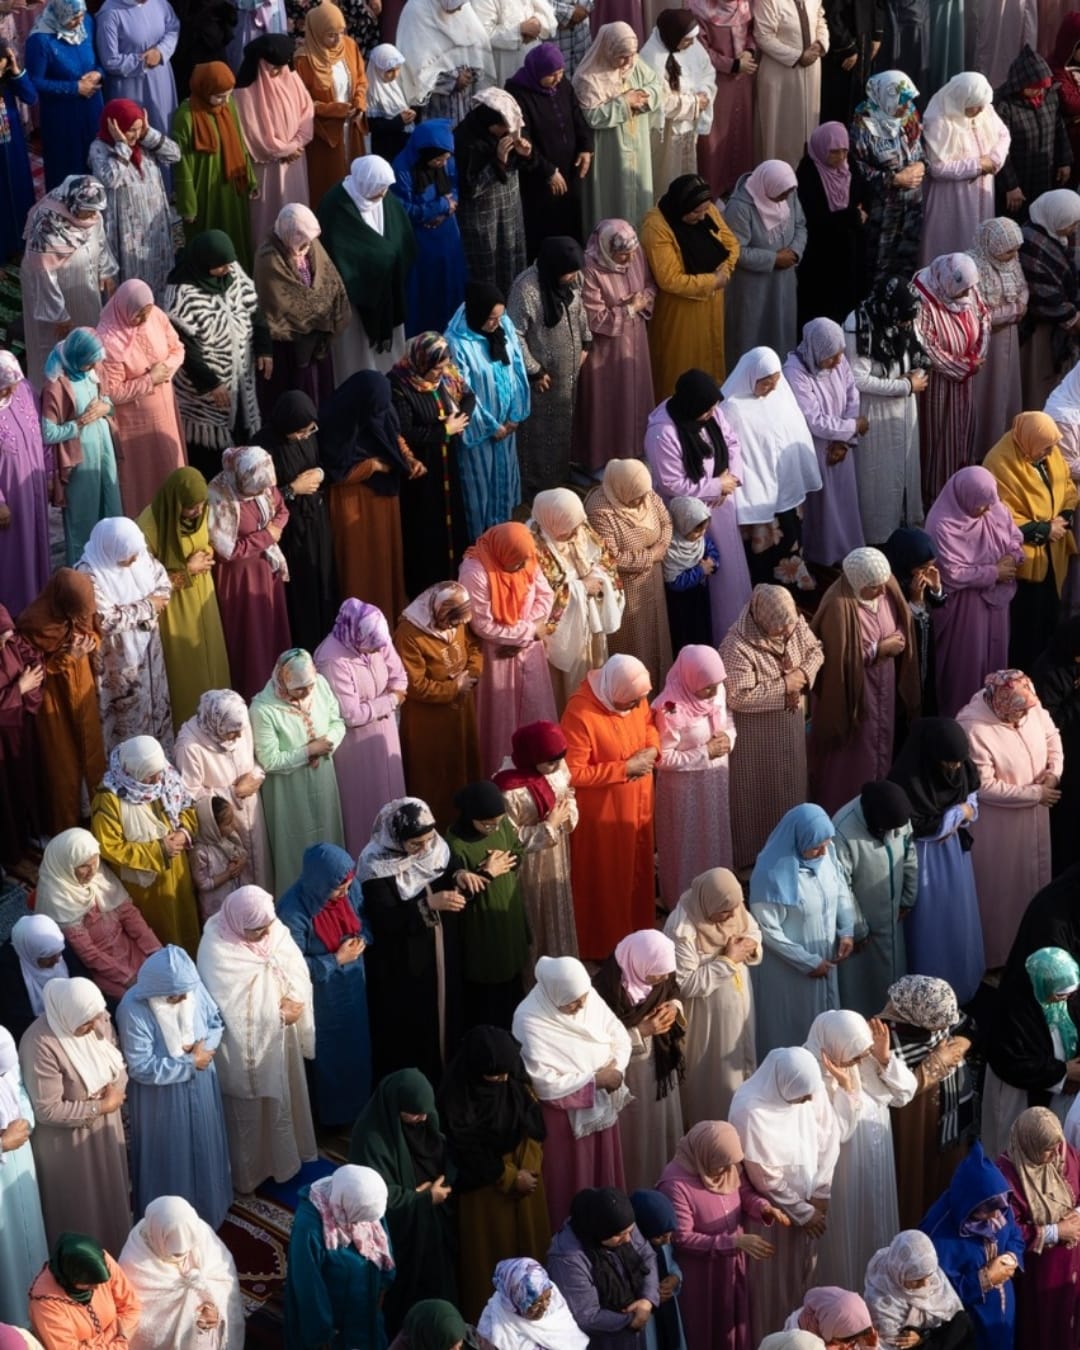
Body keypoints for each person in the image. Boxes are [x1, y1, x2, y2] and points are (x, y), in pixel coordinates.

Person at [195, 884, 317, 1193]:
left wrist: (295, 1000)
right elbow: (228, 1008)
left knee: (284, 1099)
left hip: (281, 1039)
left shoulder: (274, 929)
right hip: (244, 1047)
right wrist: (275, 1016)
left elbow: (295, 968)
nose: (264, 935)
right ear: (238, 923)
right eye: (255, 931)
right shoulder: (216, 949)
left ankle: (286, 1162)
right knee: (251, 1115)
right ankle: (252, 1174)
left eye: (266, 927)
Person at [727, 1047, 844, 1341]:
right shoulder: (749, 1108)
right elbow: (764, 1176)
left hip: (812, 1203)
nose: (806, 1101)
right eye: (801, 1095)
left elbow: (829, 1137)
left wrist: (821, 1192)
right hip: (775, 1215)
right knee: (774, 1285)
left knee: (806, 1276)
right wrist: (803, 1213)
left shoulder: (809, 1087)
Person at [114, 945, 232, 1227]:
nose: (181, 999)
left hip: (201, 1084)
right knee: (169, 1155)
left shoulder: (192, 988)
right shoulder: (133, 1008)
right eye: (173, 996)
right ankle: (169, 1222)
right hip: (161, 1098)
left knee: (206, 1142)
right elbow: (141, 1066)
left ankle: (210, 1209)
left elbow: (215, 1023)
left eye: (184, 994)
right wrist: (190, 1063)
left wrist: (204, 1049)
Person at [438, 1027, 551, 1320]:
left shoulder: (517, 1084)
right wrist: (510, 1177)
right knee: (488, 1264)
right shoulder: (458, 1099)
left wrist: (529, 1169)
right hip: (485, 1196)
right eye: (493, 1077)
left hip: (526, 1189)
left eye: (505, 1075)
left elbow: (534, 1127)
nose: (501, 1081)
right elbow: (465, 1148)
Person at [512, 956, 631, 1229]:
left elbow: (618, 1035)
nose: (581, 1006)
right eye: (572, 1002)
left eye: (583, 998)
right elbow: (542, 1081)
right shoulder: (530, 1019)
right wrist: (594, 1080)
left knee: (604, 1174)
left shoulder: (587, 996)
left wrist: (616, 1069)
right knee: (572, 1182)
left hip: (601, 1108)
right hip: (564, 1119)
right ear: (554, 994)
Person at [804, 1010, 917, 1290]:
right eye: (855, 1055)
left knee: (876, 1228)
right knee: (849, 1237)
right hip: (845, 1174)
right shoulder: (811, 1074)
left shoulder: (861, 1061)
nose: (859, 1061)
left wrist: (883, 1057)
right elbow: (838, 1132)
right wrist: (845, 1088)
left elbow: (905, 1093)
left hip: (878, 1168)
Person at [956, 671, 1063, 967]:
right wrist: (1034, 794)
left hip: (1037, 817)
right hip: (1000, 828)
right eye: (1016, 714)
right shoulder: (973, 728)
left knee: (1035, 886)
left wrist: (1054, 773)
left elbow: (1052, 736)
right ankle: (999, 958)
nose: (1021, 718)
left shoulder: (1030, 705)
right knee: (1001, 895)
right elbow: (985, 785)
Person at [357, 798, 465, 1083]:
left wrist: (460, 874)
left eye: (429, 839)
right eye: (416, 844)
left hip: (443, 952)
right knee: (416, 1029)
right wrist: (428, 904)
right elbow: (385, 919)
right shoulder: (374, 865)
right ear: (396, 837)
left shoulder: (437, 848)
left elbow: (449, 868)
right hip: (406, 966)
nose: (425, 848)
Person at [19, 979, 131, 1254]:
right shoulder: (41, 1043)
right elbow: (47, 1109)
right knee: (81, 1207)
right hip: (69, 1145)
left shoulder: (96, 1018)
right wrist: (100, 1107)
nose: (94, 1027)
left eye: (95, 1019)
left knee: (110, 1197)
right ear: (66, 1015)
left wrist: (116, 1088)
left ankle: (116, 1256)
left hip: (105, 1127)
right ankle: (82, 1268)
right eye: (85, 1023)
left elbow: (116, 1061)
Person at [560, 653, 658, 959]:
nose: (633, 707)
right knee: (607, 880)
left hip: (638, 804)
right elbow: (573, 772)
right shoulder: (581, 712)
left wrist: (653, 749)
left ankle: (637, 936)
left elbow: (649, 723)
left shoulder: (635, 697)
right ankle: (604, 948)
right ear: (614, 692)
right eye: (628, 703)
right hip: (603, 816)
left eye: (637, 701)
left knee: (637, 873)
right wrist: (624, 769)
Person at [809, 547, 920, 814]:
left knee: (882, 744)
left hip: (885, 685)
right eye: (874, 588)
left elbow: (902, 620)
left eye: (884, 586)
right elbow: (834, 660)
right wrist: (877, 651)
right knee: (855, 755)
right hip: (853, 694)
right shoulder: (839, 606)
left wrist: (898, 642)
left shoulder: (886, 587)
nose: (883, 593)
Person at [348, 1069, 459, 1334]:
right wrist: (421, 1199)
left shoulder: (423, 1119)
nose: (421, 1119)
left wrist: (442, 1183)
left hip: (434, 1225)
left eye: (425, 1113)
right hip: (401, 1237)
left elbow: (441, 1151)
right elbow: (373, 1196)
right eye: (413, 1114)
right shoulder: (371, 1138)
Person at [655, 1122, 778, 1350]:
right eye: (721, 1166)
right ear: (705, 1154)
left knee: (732, 1328)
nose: (727, 1171)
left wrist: (763, 1207)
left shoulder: (725, 1165)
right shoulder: (675, 1184)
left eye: (731, 1165)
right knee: (704, 1329)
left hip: (731, 1265)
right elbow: (682, 1237)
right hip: (702, 1274)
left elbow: (742, 1191)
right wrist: (733, 1242)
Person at [887, 718, 984, 1004]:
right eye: (948, 763)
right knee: (931, 927)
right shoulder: (908, 779)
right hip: (925, 860)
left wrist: (961, 813)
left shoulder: (962, 766)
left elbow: (971, 801)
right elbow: (914, 824)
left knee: (958, 918)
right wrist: (955, 816)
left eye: (957, 762)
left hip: (953, 855)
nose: (954, 769)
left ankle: (961, 985)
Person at [748, 804, 856, 1056]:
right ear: (799, 840)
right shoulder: (770, 874)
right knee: (793, 1031)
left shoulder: (825, 855)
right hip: (788, 970)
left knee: (824, 1025)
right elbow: (768, 929)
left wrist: (847, 929)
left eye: (827, 843)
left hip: (824, 961)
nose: (823, 851)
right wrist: (807, 962)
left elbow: (840, 890)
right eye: (816, 846)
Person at [278, 842, 373, 1126]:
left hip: (354, 989)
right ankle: (333, 1121)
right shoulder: (293, 910)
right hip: (323, 998)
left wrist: (363, 938)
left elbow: (364, 919)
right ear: (320, 882)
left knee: (357, 1051)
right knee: (329, 1058)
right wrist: (335, 959)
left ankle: (360, 1111)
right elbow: (290, 967)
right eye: (337, 890)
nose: (344, 894)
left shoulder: (348, 889)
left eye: (346, 887)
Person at [163, 231, 270, 480]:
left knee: (243, 446)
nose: (226, 269)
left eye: (228, 263)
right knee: (211, 459)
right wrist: (211, 383)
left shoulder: (234, 274)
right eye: (220, 265)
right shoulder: (181, 294)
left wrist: (265, 348)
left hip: (241, 385)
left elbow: (256, 311)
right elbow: (184, 347)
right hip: (202, 395)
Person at [924, 467, 1024, 719]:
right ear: (965, 498)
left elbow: (1014, 535)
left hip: (997, 605)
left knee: (995, 660)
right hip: (965, 610)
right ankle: (962, 725)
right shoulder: (942, 524)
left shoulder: (993, 506)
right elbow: (952, 573)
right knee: (966, 668)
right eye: (981, 506)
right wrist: (994, 573)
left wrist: (1013, 556)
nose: (988, 511)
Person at [663, 869, 760, 1126]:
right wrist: (727, 961)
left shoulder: (732, 904)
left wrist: (748, 947)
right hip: (707, 1019)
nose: (730, 917)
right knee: (714, 1081)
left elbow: (753, 931)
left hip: (739, 1006)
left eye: (733, 910)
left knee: (742, 1069)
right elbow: (685, 983)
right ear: (709, 903)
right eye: (724, 912)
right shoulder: (682, 927)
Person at [719, 347, 820, 593]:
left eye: (775, 382)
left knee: (790, 537)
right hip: (756, 489)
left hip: (786, 484)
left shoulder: (781, 395)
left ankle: (794, 586)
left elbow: (795, 432)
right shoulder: (732, 407)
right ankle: (763, 592)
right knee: (762, 550)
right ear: (750, 377)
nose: (772, 388)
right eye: (765, 383)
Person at [878, 975, 974, 1232]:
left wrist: (961, 1045)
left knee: (945, 1188)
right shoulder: (882, 1040)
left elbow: (968, 1028)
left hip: (947, 1132)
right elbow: (899, 1090)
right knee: (914, 1191)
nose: (891, 1005)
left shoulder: (939, 1016)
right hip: (913, 1131)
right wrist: (937, 1063)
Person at [459, 522, 557, 775]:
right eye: (516, 564)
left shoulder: (525, 556)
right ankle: (501, 778)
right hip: (496, 658)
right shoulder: (475, 571)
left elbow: (545, 596)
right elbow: (482, 624)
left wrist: (524, 635)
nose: (523, 568)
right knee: (500, 723)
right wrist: (529, 632)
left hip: (527, 651)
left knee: (534, 714)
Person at [136, 470, 230, 729]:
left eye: (201, 506)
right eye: (190, 508)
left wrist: (207, 553)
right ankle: (193, 731)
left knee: (213, 663)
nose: (197, 512)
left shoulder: (201, 514)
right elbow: (142, 582)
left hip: (203, 603)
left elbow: (202, 540)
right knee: (188, 672)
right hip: (175, 610)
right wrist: (186, 569)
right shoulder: (149, 528)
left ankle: (220, 721)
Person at [592, 931, 685, 1193]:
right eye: (658, 974)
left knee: (662, 1133)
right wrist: (642, 1031)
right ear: (640, 964)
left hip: (661, 1069)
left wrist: (674, 1008)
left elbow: (673, 991)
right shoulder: (605, 991)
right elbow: (601, 1040)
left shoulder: (660, 971)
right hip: (633, 1077)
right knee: (638, 1140)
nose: (663, 979)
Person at [90, 735, 200, 954]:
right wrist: (159, 850)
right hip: (146, 887)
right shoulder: (110, 798)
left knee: (185, 925)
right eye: (150, 776)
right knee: (158, 936)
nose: (157, 779)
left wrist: (184, 831)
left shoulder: (166, 776)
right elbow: (109, 846)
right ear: (134, 771)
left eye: (158, 773)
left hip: (177, 870)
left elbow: (186, 806)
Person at [985, 411, 1078, 671]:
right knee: (1026, 628)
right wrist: (1043, 530)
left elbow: (1067, 487)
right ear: (1030, 439)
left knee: (1050, 618)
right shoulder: (1000, 463)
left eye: (1052, 447)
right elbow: (998, 515)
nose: (1050, 453)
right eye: (1045, 448)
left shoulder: (1049, 452)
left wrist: (1063, 518)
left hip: (1052, 555)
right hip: (1023, 562)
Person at [14, 570, 105, 835]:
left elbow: (94, 631)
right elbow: (37, 670)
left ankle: (99, 821)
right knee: (62, 767)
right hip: (54, 702)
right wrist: (69, 657)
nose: (81, 619)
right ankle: (66, 831)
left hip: (82, 691)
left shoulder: (81, 607)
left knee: (92, 754)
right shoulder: (35, 624)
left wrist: (88, 643)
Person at [314, 600, 406, 853]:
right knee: (365, 809)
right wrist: (389, 701)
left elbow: (400, 677)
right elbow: (351, 714)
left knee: (392, 799)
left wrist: (383, 701)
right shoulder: (331, 659)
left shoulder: (376, 638)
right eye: (372, 647)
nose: (376, 652)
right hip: (356, 747)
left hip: (385, 735)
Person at [843, 276, 929, 547]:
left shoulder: (903, 316)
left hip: (904, 408)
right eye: (903, 319)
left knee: (904, 472)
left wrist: (916, 373)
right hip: (876, 412)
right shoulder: (858, 326)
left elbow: (918, 350)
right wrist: (903, 385)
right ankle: (878, 538)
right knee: (877, 477)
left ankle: (905, 531)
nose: (906, 325)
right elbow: (858, 378)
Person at [388, 334, 475, 598]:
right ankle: (427, 592)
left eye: (444, 366)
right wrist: (443, 430)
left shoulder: (447, 375)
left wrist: (459, 420)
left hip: (449, 464)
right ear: (421, 361)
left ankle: (453, 582)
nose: (442, 372)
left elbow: (468, 396)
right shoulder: (399, 385)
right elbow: (404, 430)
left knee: (453, 523)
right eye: (436, 368)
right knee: (427, 529)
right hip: (423, 472)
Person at [76, 517, 173, 754]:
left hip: (150, 654)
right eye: (126, 556)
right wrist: (148, 607)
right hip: (119, 662)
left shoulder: (139, 554)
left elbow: (164, 586)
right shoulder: (89, 574)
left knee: (155, 710)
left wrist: (138, 609)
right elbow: (106, 620)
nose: (132, 560)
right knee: (128, 723)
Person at [250, 647, 346, 888]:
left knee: (328, 835)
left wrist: (328, 744)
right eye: (299, 688)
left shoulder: (320, 685)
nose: (306, 693)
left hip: (323, 778)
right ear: (283, 681)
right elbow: (269, 760)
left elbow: (337, 721)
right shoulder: (263, 709)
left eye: (309, 687)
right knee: (296, 848)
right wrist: (308, 751)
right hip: (289, 792)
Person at [640, 174, 739, 402]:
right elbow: (670, 279)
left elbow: (731, 244)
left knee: (710, 366)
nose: (703, 216)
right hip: (680, 314)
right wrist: (713, 281)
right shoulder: (656, 227)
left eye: (705, 210)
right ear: (681, 205)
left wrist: (724, 270)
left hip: (711, 308)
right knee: (677, 371)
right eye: (696, 212)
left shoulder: (705, 210)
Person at [444, 282, 531, 540]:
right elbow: (460, 391)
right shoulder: (456, 343)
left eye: (499, 317)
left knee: (504, 491)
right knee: (480, 495)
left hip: (507, 427)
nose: (496, 323)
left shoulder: (502, 326)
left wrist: (515, 414)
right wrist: (493, 426)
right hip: (482, 433)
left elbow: (517, 366)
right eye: (491, 318)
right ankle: (480, 550)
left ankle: (503, 541)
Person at [920, 1143, 1025, 1350]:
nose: (996, 1217)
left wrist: (1012, 1256)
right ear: (971, 1205)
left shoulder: (998, 1205)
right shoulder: (939, 1235)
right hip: (969, 1327)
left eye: (1000, 1209)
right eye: (989, 1211)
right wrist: (984, 1279)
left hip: (1003, 1318)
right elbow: (936, 1291)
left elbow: (1014, 1234)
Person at [34, 828, 161, 1001]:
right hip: (101, 968)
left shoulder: (98, 875)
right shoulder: (57, 898)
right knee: (139, 999)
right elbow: (88, 954)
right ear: (67, 866)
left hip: (127, 947)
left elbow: (130, 916)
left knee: (163, 975)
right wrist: (128, 977)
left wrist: (155, 951)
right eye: (84, 866)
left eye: (95, 862)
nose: (92, 871)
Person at [508, 237, 591, 499]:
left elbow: (579, 311)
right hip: (542, 380)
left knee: (562, 430)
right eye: (568, 272)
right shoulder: (526, 289)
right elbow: (515, 334)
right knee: (538, 434)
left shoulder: (573, 280)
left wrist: (586, 342)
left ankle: (558, 483)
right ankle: (536, 490)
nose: (573, 277)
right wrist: (534, 370)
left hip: (568, 375)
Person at [493, 720, 580, 970]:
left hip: (557, 856)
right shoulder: (508, 788)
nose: (556, 767)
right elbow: (508, 838)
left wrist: (568, 815)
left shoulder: (556, 768)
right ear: (531, 756)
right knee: (535, 917)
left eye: (558, 760)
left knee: (558, 910)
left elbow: (568, 793)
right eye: (550, 762)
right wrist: (548, 827)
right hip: (530, 865)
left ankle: (564, 970)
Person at [94, 281, 185, 519]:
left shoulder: (155, 315)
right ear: (125, 308)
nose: (144, 319)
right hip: (135, 425)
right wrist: (149, 381)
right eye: (138, 315)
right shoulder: (108, 339)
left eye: (146, 312)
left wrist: (165, 368)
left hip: (165, 413)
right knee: (143, 478)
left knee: (170, 465)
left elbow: (177, 348)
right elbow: (111, 392)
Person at [206, 444, 291, 701]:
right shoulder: (219, 498)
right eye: (258, 489)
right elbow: (226, 550)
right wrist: (266, 537)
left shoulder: (262, 479)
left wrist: (273, 530)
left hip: (266, 571)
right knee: (250, 638)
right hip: (239, 580)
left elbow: (282, 509)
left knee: (271, 632)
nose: (265, 492)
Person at [652, 644, 736, 902]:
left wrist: (728, 740)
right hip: (684, 792)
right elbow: (662, 758)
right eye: (706, 686)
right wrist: (704, 752)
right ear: (690, 678)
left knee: (714, 840)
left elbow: (727, 720)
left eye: (716, 685)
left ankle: (717, 896)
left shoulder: (716, 690)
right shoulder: (669, 709)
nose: (712, 693)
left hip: (714, 783)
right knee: (687, 847)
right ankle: (684, 903)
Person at [319, 155, 415, 379]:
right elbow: (337, 250)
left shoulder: (385, 199)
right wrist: (379, 258)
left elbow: (402, 237)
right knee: (359, 355)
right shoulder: (335, 204)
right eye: (378, 188)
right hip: (356, 298)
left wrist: (389, 259)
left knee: (391, 357)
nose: (381, 194)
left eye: (384, 188)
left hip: (387, 292)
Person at [394, 586, 483, 828]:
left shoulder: (458, 617)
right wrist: (454, 688)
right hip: (429, 722)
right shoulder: (410, 633)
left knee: (462, 766)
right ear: (439, 611)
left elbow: (473, 647)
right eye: (450, 623)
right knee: (435, 777)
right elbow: (414, 685)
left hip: (461, 712)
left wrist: (472, 674)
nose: (453, 628)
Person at [528, 488, 623, 710]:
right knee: (567, 687)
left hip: (590, 624)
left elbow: (605, 561)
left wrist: (597, 578)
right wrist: (581, 588)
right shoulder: (532, 547)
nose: (575, 534)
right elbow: (541, 595)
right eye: (567, 531)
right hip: (564, 631)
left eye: (576, 527)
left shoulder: (579, 525)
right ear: (551, 522)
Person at [258, 392, 339, 652]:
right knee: (301, 592)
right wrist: (293, 489)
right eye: (301, 432)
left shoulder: (310, 436)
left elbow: (324, 463)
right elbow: (258, 498)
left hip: (316, 522)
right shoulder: (263, 448)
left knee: (323, 580)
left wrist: (319, 472)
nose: (306, 435)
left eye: (309, 430)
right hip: (290, 532)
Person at [20, 176, 116, 393]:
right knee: (55, 344)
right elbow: (41, 272)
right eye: (89, 211)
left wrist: (106, 270)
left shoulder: (91, 213)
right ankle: (56, 395)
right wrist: (58, 315)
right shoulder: (47, 226)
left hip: (83, 285)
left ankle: (88, 384)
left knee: (86, 334)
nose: (94, 216)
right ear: (73, 204)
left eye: (96, 211)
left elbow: (100, 241)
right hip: (52, 294)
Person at [574, 219, 655, 474]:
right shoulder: (589, 269)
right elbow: (594, 317)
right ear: (607, 250)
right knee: (608, 403)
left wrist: (644, 300)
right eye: (622, 255)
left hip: (636, 343)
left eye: (631, 254)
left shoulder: (635, 254)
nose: (627, 260)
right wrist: (631, 308)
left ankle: (635, 452)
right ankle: (602, 461)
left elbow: (650, 286)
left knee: (636, 397)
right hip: (606, 350)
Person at [284, 1164, 395, 1350]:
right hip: (335, 1327)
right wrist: (322, 1334)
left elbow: (382, 1240)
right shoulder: (310, 1229)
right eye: (361, 1219)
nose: (365, 1225)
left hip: (365, 1312)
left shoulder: (363, 1202)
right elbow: (308, 1286)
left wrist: (384, 1282)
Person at [982, 946, 1080, 1157]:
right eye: (1059, 994)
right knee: (1010, 1149)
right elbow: (1011, 1063)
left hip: (1056, 1095)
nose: (1064, 999)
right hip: (1017, 1096)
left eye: (1069, 994)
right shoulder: (1012, 1015)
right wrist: (1062, 1072)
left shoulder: (1066, 1002)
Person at [446, 781, 530, 1028]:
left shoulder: (501, 825)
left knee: (516, 985)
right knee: (491, 999)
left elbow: (517, 851)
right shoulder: (456, 844)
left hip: (509, 917)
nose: (493, 828)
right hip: (482, 929)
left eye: (498, 821)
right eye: (486, 824)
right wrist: (487, 872)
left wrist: (505, 862)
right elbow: (458, 892)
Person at [252, 203, 350, 415]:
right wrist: (318, 312)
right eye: (302, 240)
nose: (307, 245)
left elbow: (329, 279)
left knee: (321, 393)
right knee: (299, 396)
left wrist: (326, 311)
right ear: (290, 232)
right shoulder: (268, 257)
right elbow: (284, 301)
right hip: (291, 344)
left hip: (318, 338)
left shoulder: (311, 245)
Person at [831, 782, 917, 1020]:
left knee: (894, 985)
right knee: (863, 992)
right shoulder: (843, 830)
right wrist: (857, 928)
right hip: (863, 934)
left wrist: (908, 897)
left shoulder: (896, 815)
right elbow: (841, 885)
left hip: (893, 922)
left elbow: (909, 855)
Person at [785, 318, 866, 568]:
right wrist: (851, 428)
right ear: (817, 350)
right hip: (817, 449)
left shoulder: (837, 362)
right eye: (831, 356)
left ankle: (849, 554)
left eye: (840, 353)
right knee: (824, 508)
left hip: (840, 447)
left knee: (845, 504)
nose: (838, 361)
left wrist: (846, 440)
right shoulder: (795, 371)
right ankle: (823, 559)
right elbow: (813, 419)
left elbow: (852, 394)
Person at [997, 1105, 1080, 1348]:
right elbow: (1008, 1232)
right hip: (1037, 1273)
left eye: (1057, 1145)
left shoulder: (1064, 1152)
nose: (1056, 1154)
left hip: (1072, 1265)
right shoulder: (1006, 1175)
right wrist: (1056, 1231)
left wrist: (1076, 1216)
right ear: (1030, 1145)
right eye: (1047, 1149)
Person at [585, 459, 672, 688]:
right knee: (635, 645)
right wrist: (651, 556)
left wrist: (661, 546)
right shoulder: (600, 510)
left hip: (653, 585)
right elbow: (610, 558)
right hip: (626, 592)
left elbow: (665, 521)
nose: (642, 501)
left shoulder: (645, 491)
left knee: (658, 640)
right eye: (637, 496)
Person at [912, 253, 991, 503]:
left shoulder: (966, 285)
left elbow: (984, 317)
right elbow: (925, 345)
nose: (966, 295)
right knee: (938, 436)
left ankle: (961, 488)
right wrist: (962, 365)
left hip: (966, 380)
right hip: (937, 383)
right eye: (961, 291)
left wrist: (977, 354)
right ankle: (937, 495)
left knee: (962, 432)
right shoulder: (922, 297)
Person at [40, 327, 121, 568]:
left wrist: (106, 408)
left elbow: (108, 401)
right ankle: (84, 573)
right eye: (88, 363)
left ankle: (111, 565)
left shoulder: (94, 371)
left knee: (110, 507)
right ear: (77, 357)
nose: (92, 367)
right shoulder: (57, 385)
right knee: (83, 519)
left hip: (104, 452)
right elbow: (48, 432)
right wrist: (78, 424)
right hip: (80, 460)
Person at [119, 1195, 243, 1350]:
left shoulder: (203, 1236)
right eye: (175, 1254)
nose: (182, 1255)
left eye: (186, 1249)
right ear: (155, 1235)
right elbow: (137, 1315)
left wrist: (207, 1296)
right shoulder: (135, 1260)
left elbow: (222, 1277)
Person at [506, 44, 594, 257]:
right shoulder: (518, 93)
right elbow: (522, 140)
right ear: (537, 72)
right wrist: (548, 171)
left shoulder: (563, 85)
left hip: (569, 171)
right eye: (551, 75)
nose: (557, 79)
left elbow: (576, 115)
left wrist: (585, 148)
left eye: (561, 73)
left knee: (571, 224)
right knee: (545, 230)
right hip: (539, 177)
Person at [572, 22, 660, 231]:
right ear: (608, 49)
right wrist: (624, 102)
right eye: (622, 56)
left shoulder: (635, 64)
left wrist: (642, 99)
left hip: (637, 147)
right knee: (612, 198)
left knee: (638, 196)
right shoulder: (588, 77)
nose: (628, 62)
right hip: (609, 152)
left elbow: (657, 87)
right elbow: (591, 117)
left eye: (631, 54)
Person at [87, 102, 180, 299]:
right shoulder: (99, 148)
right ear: (115, 126)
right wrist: (121, 145)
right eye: (131, 130)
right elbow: (110, 179)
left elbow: (175, 155)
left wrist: (148, 134)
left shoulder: (144, 143)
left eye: (139, 129)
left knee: (157, 267)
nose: (135, 135)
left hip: (153, 224)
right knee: (133, 274)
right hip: (127, 227)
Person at [546, 1187, 660, 1346]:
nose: (628, 1239)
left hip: (639, 1330)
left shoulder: (621, 1225)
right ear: (599, 1231)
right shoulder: (568, 1259)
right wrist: (631, 1318)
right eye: (620, 1235)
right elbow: (586, 1316)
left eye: (631, 1231)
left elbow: (646, 1255)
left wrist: (647, 1299)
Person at [171, 62, 256, 270]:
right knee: (207, 240)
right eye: (219, 96)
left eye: (227, 95)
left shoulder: (229, 107)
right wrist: (188, 205)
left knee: (235, 236)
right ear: (204, 89)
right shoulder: (186, 115)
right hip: (204, 193)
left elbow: (239, 141)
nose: (225, 101)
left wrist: (250, 179)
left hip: (232, 190)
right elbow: (181, 165)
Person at [919, 73, 1010, 264]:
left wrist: (994, 159)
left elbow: (1003, 135)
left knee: (978, 249)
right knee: (951, 247)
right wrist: (977, 165)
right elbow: (936, 168)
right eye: (974, 105)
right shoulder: (939, 120)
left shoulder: (985, 110)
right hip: (952, 198)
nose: (979, 110)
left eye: (981, 105)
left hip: (983, 192)